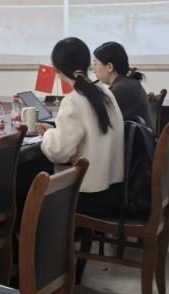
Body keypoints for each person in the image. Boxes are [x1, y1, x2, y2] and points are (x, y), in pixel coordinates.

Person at [35, 37, 125, 216]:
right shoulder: (105, 92)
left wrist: (48, 134)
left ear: (57, 70)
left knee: (29, 185)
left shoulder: (74, 100)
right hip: (114, 190)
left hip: (89, 196)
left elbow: (59, 152)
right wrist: (53, 131)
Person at [92, 41, 155, 127]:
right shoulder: (129, 83)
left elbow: (97, 120)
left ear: (109, 67)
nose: (94, 70)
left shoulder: (121, 89)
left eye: (95, 64)